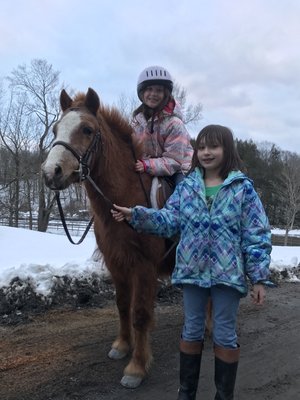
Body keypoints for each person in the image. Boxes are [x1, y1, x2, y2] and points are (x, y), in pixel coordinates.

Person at [111, 124, 273, 400]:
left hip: (227, 276)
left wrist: (258, 277)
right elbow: (168, 219)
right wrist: (136, 215)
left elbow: (256, 234)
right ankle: (186, 393)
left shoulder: (242, 189)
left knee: (223, 332)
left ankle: (224, 395)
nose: (207, 152)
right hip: (192, 273)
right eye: (202, 147)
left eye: (214, 146)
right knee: (192, 329)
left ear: (228, 149)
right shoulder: (187, 187)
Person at [132, 65, 193, 185]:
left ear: (166, 94)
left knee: (182, 193)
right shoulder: (137, 123)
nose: (153, 94)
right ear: (142, 92)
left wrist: (147, 164)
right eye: (149, 89)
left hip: (180, 169)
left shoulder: (175, 124)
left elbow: (175, 160)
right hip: (149, 166)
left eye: (159, 90)